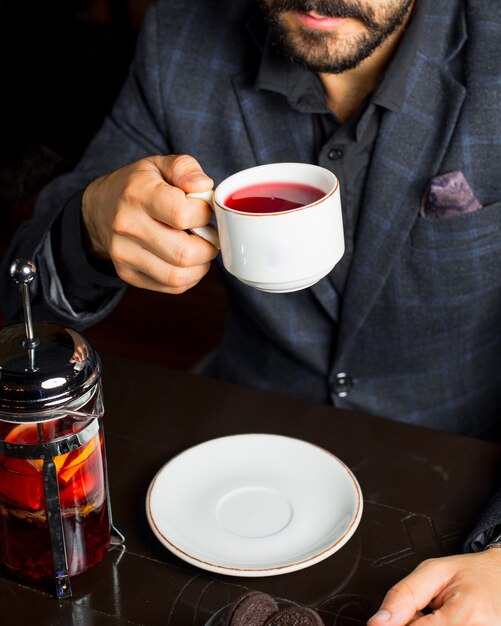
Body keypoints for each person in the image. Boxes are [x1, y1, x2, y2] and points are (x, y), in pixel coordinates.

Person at [2, 0, 501, 622]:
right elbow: (19, 292)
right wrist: (88, 232)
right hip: (228, 475)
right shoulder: (181, 37)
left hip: (460, 481)